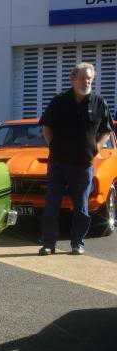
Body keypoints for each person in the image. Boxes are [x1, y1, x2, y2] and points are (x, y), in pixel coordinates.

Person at [38, 62, 114, 256]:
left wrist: (97, 146)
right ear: (72, 79)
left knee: (81, 207)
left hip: (83, 165)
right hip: (58, 163)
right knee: (51, 205)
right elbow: (46, 126)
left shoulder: (99, 102)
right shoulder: (59, 101)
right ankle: (49, 243)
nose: (86, 81)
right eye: (82, 78)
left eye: (89, 78)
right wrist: (53, 145)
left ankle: (77, 243)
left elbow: (106, 129)